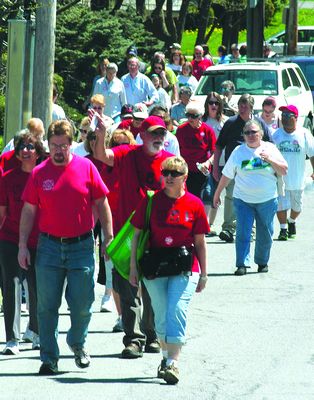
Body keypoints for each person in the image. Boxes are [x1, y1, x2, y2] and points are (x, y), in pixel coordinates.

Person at [18, 120, 113, 375]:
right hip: (48, 246)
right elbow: (28, 210)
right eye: (54, 145)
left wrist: (108, 236)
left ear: (72, 144)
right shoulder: (40, 172)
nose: (59, 150)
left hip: (81, 246)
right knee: (47, 305)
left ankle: (77, 342)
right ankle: (49, 358)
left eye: (63, 145)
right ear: (48, 145)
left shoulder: (87, 167)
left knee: (82, 303)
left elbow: (102, 202)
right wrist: (22, 245)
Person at [94, 113, 173, 359]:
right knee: (127, 287)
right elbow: (101, 155)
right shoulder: (127, 153)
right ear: (142, 135)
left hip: (156, 235)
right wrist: (101, 133)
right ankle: (133, 338)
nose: (159, 138)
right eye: (154, 133)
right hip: (126, 233)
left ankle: (150, 336)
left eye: (162, 133)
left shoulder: (171, 162)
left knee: (152, 288)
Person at [129, 156, 208, 384]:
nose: (168, 177)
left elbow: (200, 242)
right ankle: (165, 357)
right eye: (165, 173)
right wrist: (134, 267)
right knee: (161, 314)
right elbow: (136, 236)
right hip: (155, 267)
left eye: (174, 174)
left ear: (185, 177)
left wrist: (204, 273)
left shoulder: (194, 203)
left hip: (185, 266)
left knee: (176, 309)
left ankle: (173, 362)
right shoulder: (151, 200)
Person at [213, 120, 288, 276]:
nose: (251, 135)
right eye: (247, 133)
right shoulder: (238, 151)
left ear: (261, 133)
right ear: (243, 135)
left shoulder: (270, 148)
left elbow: (284, 170)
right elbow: (227, 175)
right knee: (243, 232)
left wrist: (269, 159)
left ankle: (262, 261)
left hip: (267, 199)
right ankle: (242, 263)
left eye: (254, 132)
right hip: (243, 200)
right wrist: (217, 193)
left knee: (265, 233)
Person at [0, 130, 45, 355]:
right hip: (10, 238)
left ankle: (36, 332)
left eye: (30, 147)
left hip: (40, 239)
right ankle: (12, 338)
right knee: (12, 284)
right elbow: (2, 212)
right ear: (16, 153)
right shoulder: (7, 179)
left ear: (38, 151)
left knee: (37, 287)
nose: (26, 151)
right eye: (22, 148)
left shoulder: (45, 176)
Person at [212, 94, 271, 243]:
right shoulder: (230, 123)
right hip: (234, 168)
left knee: (251, 198)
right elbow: (219, 146)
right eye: (240, 106)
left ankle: (250, 231)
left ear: (251, 107)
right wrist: (216, 168)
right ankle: (228, 229)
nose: (242, 109)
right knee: (231, 197)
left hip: (255, 169)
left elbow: (270, 146)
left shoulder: (259, 124)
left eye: (245, 106)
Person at [272, 105, 314, 240]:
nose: (284, 119)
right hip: (280, 178)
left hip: (297, 178)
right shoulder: (276, 135)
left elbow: (312, 154)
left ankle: (292, 221)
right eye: (282, 116)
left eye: (287, 116)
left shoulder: (304, 134)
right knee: (280, 205)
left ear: (296, 118)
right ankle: (283, 229)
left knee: (297, 207)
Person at [176, 102, 216, 199]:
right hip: (185, 171)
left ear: (200, 116)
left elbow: (215, 152)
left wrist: (208, 163)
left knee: (203, 198)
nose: (190, 119)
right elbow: (177, 150)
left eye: (193, 116)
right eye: (188, 115)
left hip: (202, 171)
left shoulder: (208, 130)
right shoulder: (181, 130)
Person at [203, 92, 229, 234]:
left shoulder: (226, 121)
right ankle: (204, 223)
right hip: (206, 163)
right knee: (207, 193)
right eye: (211, 102)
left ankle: (210, 224)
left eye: (216, 103)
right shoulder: (202, 120)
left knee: (216, 195)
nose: (213, 105)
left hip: (223, 162)